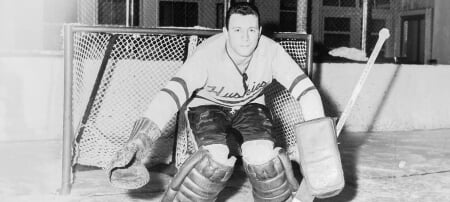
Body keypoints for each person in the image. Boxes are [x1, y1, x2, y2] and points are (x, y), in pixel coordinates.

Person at [108, 2, 343, 202]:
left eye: (251, 30)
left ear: (260, 31)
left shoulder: (272, 52)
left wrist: (318, 145)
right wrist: (141, 140)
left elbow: (307, 91)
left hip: (250, 106)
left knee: (265, 160)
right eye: (237, 30)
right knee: (214, 161)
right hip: (207, 107)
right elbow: (171, 94)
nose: (245, 38)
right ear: (225, 31)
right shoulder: (207, 54)